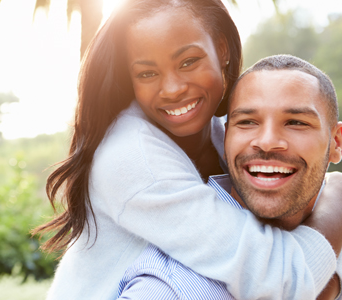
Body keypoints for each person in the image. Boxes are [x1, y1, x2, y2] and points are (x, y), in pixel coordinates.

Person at [32, 1, 342, 299]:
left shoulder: (226, 132)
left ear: (222, 49)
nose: (172, 88)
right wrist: (335, 205)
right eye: (147, 73)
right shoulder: (132, 157)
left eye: (188, 62)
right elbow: (278, 278)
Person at [116, 54, 342, 300]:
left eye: (296, 122)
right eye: (247, 122)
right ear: (225, 140)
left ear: (336, 142)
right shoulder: (169, 287)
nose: (266, 142)